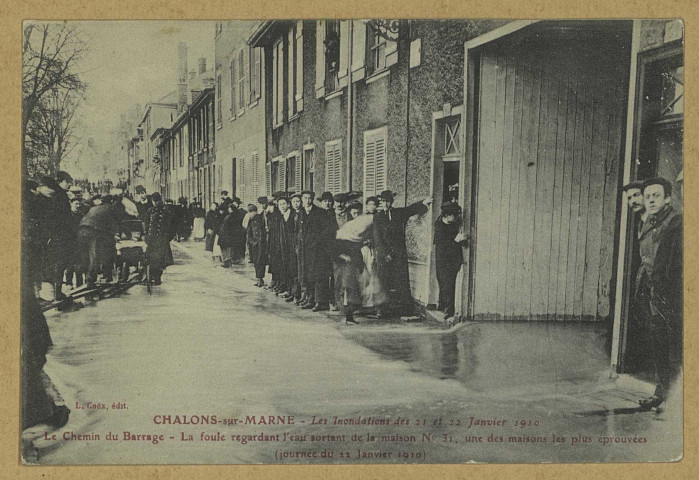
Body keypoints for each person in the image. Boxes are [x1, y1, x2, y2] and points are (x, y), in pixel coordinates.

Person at [634, 177, 683, 410]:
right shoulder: (647, 221)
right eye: (648, 196)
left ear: (668, 198)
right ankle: (663, 391)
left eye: (656, 195)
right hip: (652, 291)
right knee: (660, 343)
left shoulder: (676, 223)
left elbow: (675, 264)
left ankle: (675, 396)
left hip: (670, 293)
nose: (651, 200)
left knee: (673, 345)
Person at [373, 190, 432, 317]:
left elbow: (411, 209)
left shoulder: (399, 213)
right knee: (383, 280)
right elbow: (377, 238)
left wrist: (424, 203)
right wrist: (385, 254)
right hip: (384, 256)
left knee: (401, 280)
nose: (385, 204)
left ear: (391, 202)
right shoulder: (377, 217)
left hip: (399, 254)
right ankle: (381, 309)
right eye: (383, 201)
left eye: (387, 201)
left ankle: (403, 309)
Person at [622, 181, 651, 371]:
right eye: (629, 198)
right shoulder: (640, 222)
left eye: (636, 195)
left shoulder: (655, 221)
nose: (633, 201)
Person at [335, 206, 375, 324]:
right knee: (350, 290)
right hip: (347, 266)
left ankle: (350, 315)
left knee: (356, 289)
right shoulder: (345, 233)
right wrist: (343, 256)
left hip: (355, 263)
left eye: (358, 213)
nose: (356, 215)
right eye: (354, 213)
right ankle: (348, 316)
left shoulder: (358, 231)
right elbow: (335, 250)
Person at [299, 191, 338, 311]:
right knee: (308, 274)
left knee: (319, 276)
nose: (307, 200)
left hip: (319, 249)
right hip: (305, 249)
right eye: (305, 198)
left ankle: (320, 302)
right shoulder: (301, 213)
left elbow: (328, 230)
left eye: (310, 198)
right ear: (302, 200)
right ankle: (310, 299)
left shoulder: (320, 212)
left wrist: (317, 240)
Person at [78, 194, 127, 287]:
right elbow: (116, 223)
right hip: (93, 231)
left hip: (81, 229)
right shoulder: (111, 208)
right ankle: (91, 280)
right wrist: (118, 235)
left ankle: (87, 279)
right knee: (96, 255)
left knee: (86, 255)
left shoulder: (96, 208)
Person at [434, 202, 469, 321]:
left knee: (450, 283)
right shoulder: (439, 226)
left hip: (454, 260)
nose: (457, 217)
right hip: (442, 260)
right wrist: (456, 240)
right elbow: (443, 246)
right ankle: (446, 309)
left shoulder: (454, 224)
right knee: (445, 284)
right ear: (448, 215)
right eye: (455, 215)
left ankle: (448, 309)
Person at [144, 192, 174, 285]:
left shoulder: (150, 211)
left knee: (152, 259)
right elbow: (171, 227)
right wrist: (167, 238)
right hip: (162, 240)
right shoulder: (167, 211)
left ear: (153, 201)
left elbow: (146, 225)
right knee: (160, 260)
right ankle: (157, 278)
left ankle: (152, 277)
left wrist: (146, 237)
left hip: (152, 239)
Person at [246, 204, 268, 287]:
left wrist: (257, 241)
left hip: (260, 244)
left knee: (260, 261)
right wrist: (251, 242)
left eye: (251, 212)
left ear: (255, 212)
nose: (250, 214)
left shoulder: (259, 219)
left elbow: (261, 232)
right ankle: (258, 278)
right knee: (255, 261)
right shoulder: (251, 220)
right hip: (254, 245)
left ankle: (260, 279)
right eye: (249, 212)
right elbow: (249, 232)